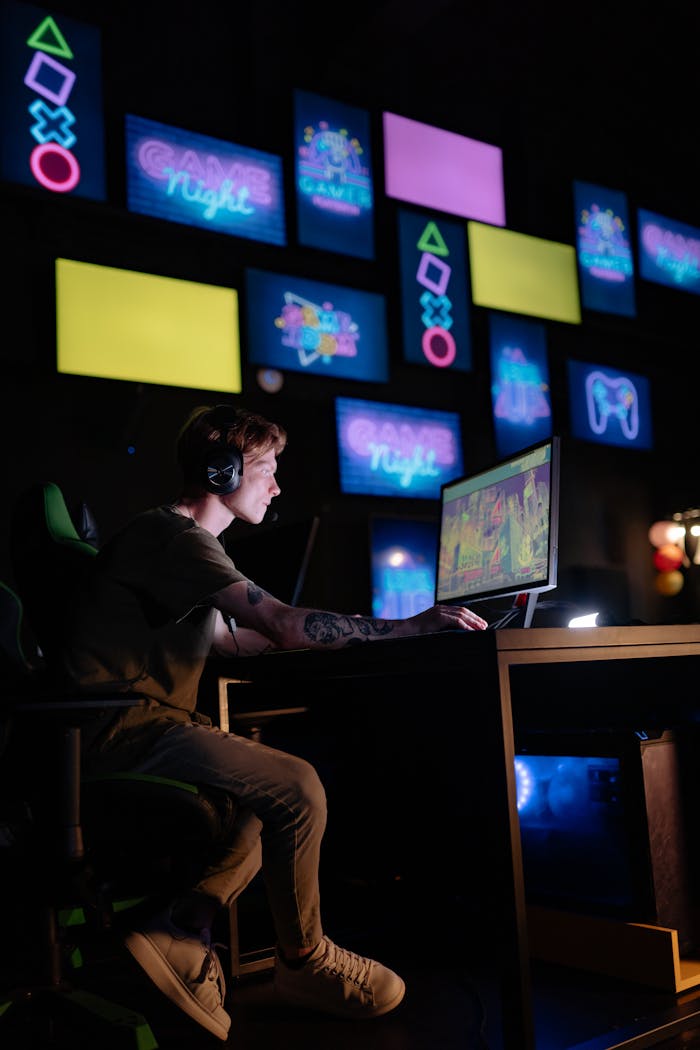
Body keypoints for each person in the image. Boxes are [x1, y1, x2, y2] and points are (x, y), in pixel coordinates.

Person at [61, 403, 488, 1042]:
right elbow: (283, 624)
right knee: (298, 786)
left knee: (271, 792)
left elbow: (239, 641)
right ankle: (305, 960)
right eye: (267, 470)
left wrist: (355, 632)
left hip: (133, 727)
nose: (277, 486)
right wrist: (407, 628)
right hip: (122, 730)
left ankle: (183, 927)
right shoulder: (175, 537)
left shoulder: (175, 546)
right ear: (222, 471)